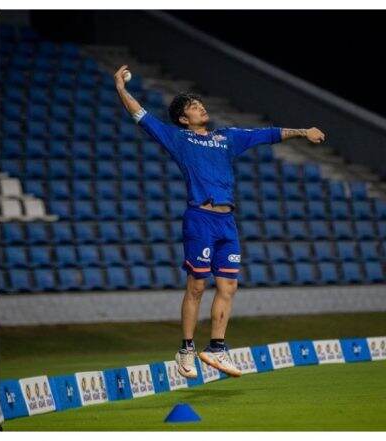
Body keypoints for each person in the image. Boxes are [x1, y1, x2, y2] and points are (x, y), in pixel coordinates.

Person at [113, 65, 325, 378]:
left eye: (200, 104)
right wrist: (121, 88)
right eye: (193, 107)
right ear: (184, 119)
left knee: (229, 285)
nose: (201, 107)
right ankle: (185, 349)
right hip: (200, 218)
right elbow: (142, 116)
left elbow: (265, 135)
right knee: (197, 285)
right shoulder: (178, 138)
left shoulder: (227, 137)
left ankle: (216, 348)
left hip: (227, 223)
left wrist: (303, 132)